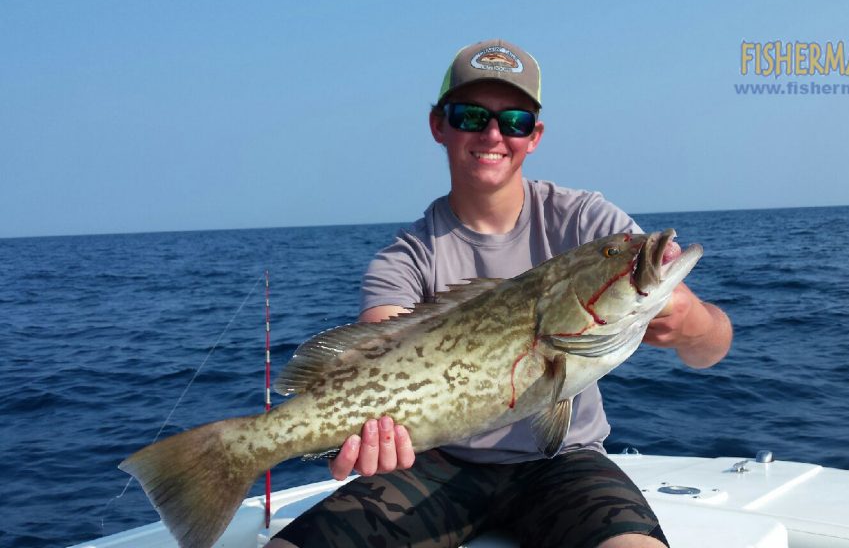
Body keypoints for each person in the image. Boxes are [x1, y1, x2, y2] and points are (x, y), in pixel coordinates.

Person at [268, 39, 732, 548]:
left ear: (534, 136)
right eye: (470, 116)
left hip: (567, 465)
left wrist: (693, 324)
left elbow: (714, 348)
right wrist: (371, 434)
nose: (493, 133)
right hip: (436, 467)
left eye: (514, 121)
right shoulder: (404, 257)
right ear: (438, 126)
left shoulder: (588, 222)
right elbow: (379, 345)